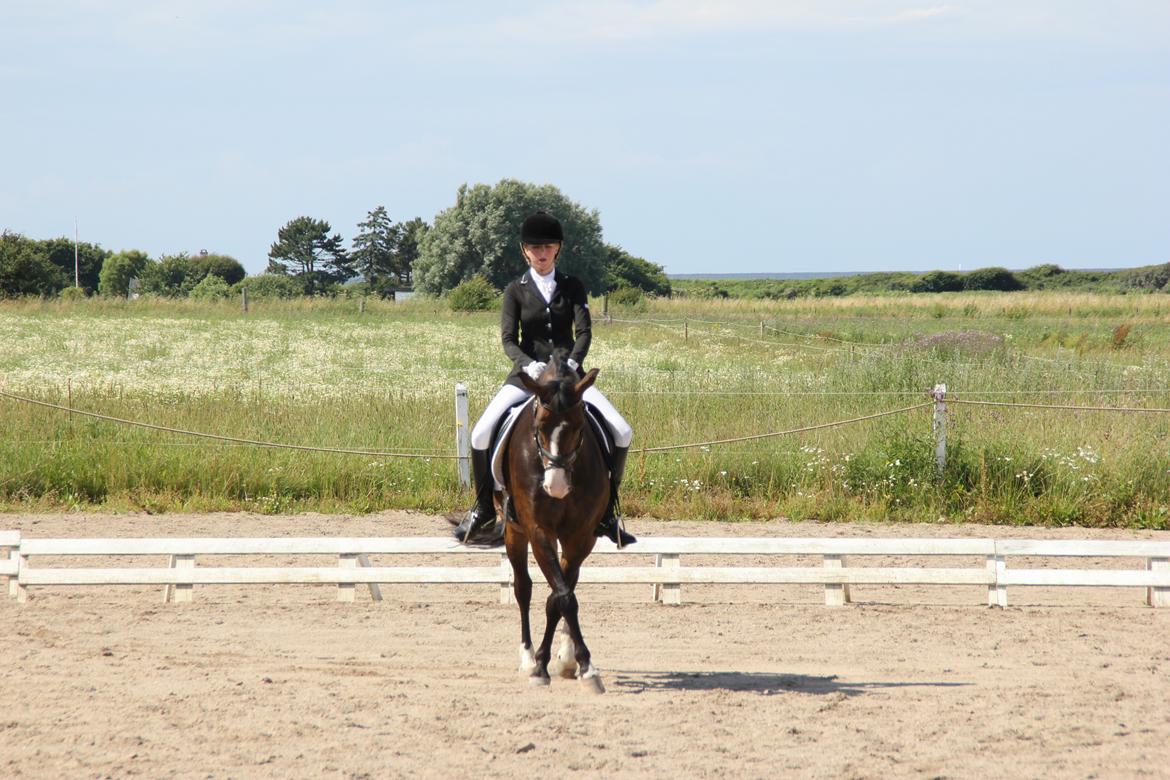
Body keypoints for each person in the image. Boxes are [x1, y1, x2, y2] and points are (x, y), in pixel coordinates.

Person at [453, 210, 636, 547]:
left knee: (622, 430)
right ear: (525, 251)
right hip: (527, 378)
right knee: (479, 434)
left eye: (548, 246)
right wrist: (529, 366)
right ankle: (483, 510)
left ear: (558, 249)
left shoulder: (573, 286)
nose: (541, 253)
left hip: (569, 379)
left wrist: (571, 361)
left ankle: (609, 512)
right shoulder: (514, 290)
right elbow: (508, 339)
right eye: (535, 247)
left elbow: (584, 332)